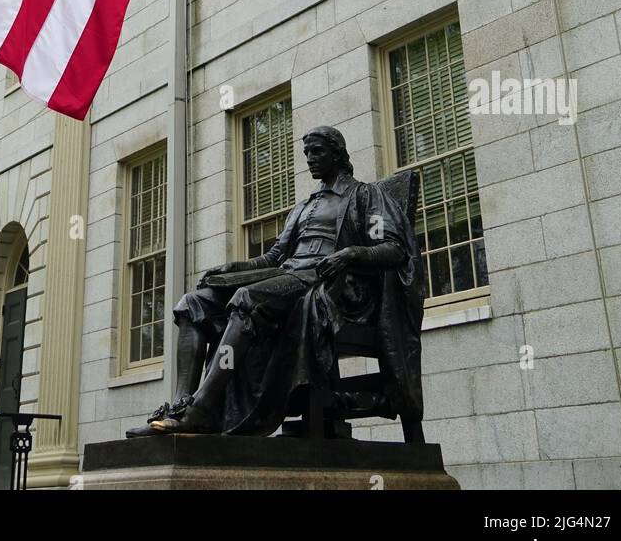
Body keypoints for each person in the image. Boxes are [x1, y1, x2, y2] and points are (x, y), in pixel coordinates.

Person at [136, 125, 425, 436]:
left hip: (331, 286)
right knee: (194, 303)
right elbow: (274, 258)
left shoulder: (365, 195)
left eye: (318, 152)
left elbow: (394, 249)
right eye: (307, 153)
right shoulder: (305, 206)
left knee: (247, 298)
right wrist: (233, 267)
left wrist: (350, 253)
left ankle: (203, 407)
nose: (310, 159)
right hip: (289, 275)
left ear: (338, 154)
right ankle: (182, 404)